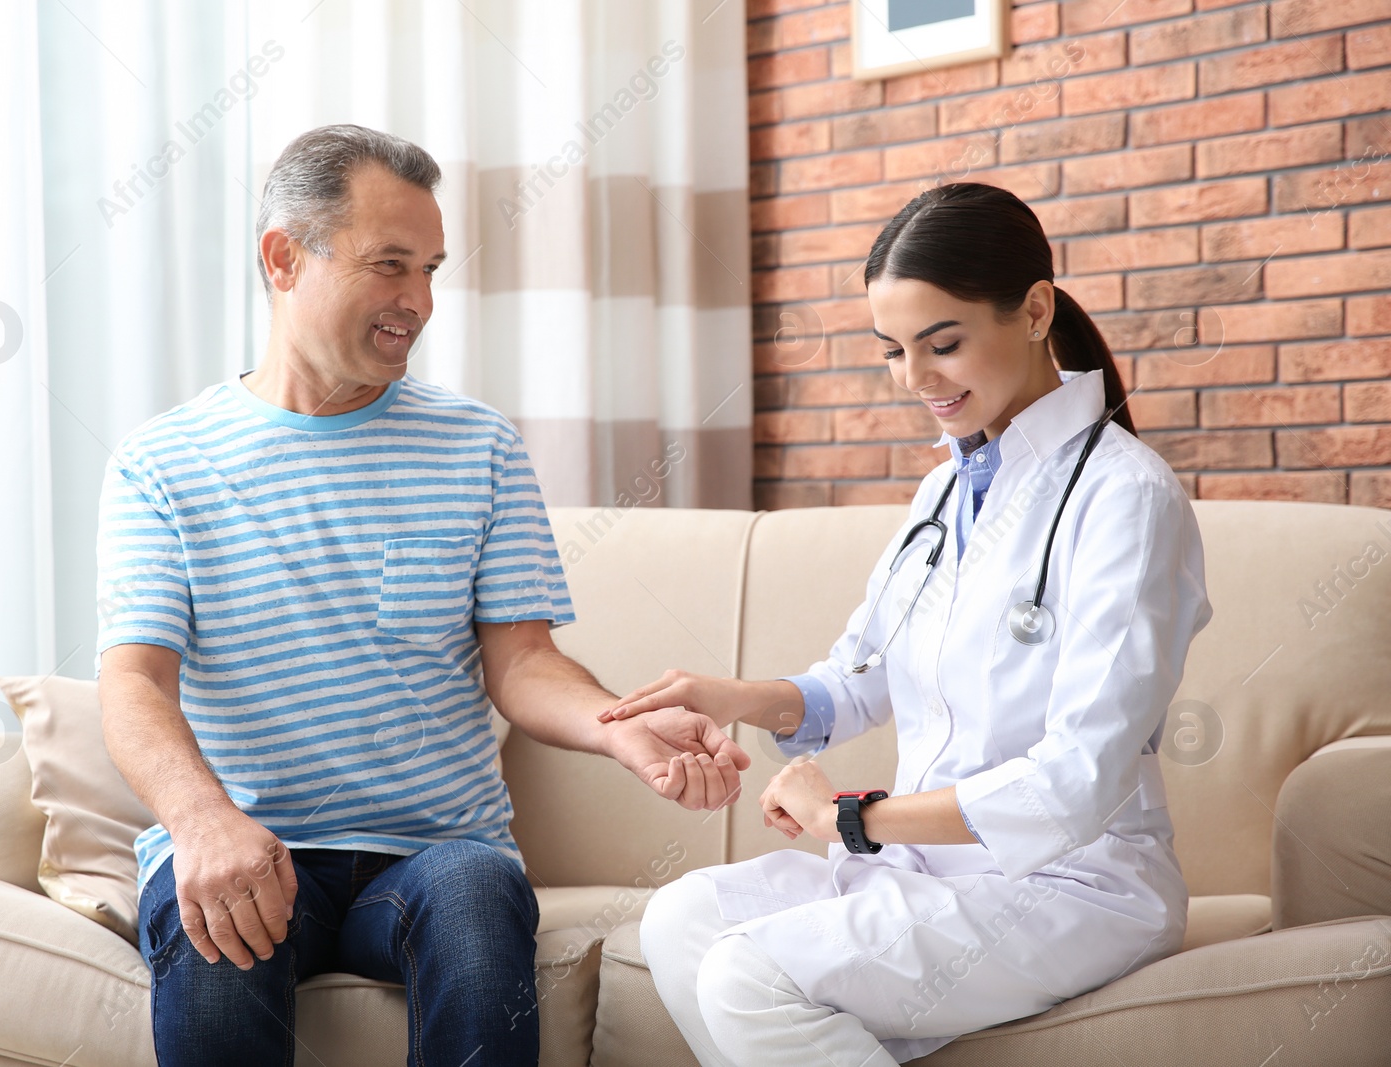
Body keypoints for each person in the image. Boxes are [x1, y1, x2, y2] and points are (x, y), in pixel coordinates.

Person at [94, 124, 749, 1067]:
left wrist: (616, 724)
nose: (420, 302)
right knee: (213, 953)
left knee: (479, 897)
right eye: (390, 266)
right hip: (242, 840)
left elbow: (523, 660)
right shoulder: (162, 463)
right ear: (285, 258)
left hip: (435, 853)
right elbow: (134, 686)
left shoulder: (477, 446)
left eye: (432, 269)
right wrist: (203, 821)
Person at [603, 182, 1214, 1066]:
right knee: (682, 917)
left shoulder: (1127, 497)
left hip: (1076, 884)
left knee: (747, 974)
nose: (916, 379)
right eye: (892, 351)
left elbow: (1076, 781)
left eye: (943, 343)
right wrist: (731, 696)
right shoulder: (944, 493)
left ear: (1036, 310)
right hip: (933, 870)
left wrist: (853, 816)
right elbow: (863, 675)